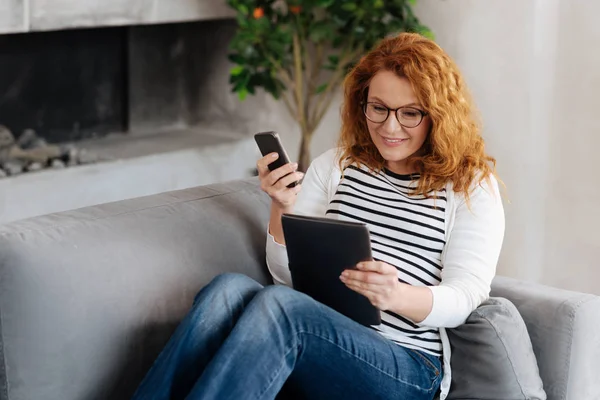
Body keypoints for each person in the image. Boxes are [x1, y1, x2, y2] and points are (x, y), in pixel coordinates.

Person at [132, 32, 505, 400]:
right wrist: (282, 206)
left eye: (410, 113)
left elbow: (465, 297)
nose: (390, 127)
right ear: (363, 104)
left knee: (282, 308)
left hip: (408, 365)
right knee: (225, 291)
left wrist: (395, 296)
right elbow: (285, 275)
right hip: (324, 334)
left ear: (437, 115)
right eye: (378, 108)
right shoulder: (337, 166)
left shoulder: (469, 186)